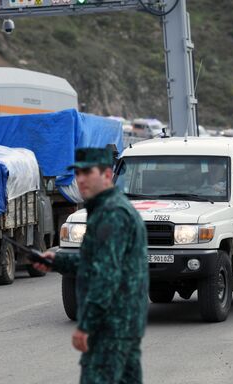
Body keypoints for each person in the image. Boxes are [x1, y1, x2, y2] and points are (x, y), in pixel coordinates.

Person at [33, 147, 149, 384]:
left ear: (107, 175)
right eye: (78, 173)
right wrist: (57, 261)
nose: (80, 179)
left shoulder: (112, 214)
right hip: (122, 323)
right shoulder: (104, 210)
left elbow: (105, 275)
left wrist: (87, 325)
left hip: (111, 326)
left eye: (88, 172)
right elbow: (97, 261)